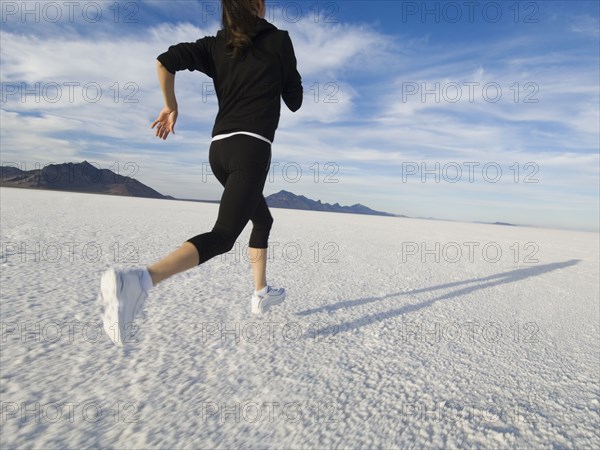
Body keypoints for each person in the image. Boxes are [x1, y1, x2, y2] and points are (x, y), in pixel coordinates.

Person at [100, 0, 303, 346]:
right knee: (224, 236)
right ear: (257, 5)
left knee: (263, 220)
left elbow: (165, 61)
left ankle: (261, 292)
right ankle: (138, 281)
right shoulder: (278, 40)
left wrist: (170, 105)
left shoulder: (217, 44)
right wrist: (286, 73)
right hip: (251, 149)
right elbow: (294, 100)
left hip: (219, 151)